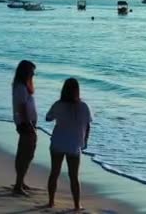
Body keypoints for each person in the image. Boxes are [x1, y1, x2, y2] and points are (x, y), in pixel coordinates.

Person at [46, 78, 93, 210]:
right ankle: (77, 205)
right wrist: (84, 142)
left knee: (54, 173)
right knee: (74, 177)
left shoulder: (58, 104)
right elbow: (88, 126)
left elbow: (48, 118)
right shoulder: (84, 106)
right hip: (73, 145)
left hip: (58, 142)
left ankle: (51, 201)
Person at [11, 60, 37, 196]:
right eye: (32, 71)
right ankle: (18, 184)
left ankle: (20, 182)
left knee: (25, 152)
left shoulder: (22, 86)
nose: (33, 73)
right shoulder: (21, 87)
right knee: (26, 153)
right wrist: (30, 125)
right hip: (26, 124)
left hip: (26, 123)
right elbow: (22, 109)